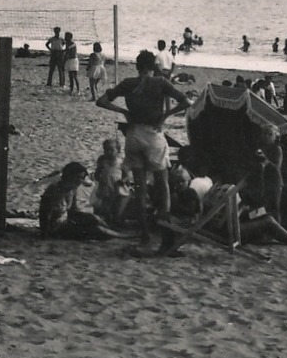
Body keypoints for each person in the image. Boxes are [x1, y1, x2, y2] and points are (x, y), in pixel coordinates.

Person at [96, 50, 192, 252]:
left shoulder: (128, 83)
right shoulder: (160, 83)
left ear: (137, 66)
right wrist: (166, 116)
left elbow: (101, 101)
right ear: (154, 65)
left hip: (133, 134)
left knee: (140, 188)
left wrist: (123, 111)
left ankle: (145, 235)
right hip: (153, 134)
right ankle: (166, 238)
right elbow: (186, 102)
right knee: (163, 185)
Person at [39, 162, 128, 240]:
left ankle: (111, 231)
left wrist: (91, 217)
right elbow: (44, 213)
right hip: (55, 228)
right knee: (97, 229)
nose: (80, 181)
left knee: (95, 218)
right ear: (70, 176)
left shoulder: (72, 189)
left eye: (82, 178)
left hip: (65, 221)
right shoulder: (54, 190)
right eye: (78, 177)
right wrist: (44, 235)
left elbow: (73, 211)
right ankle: (122, 236)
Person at [92, 137, 130, 226]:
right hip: (105, 186)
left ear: (118, 151)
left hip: (117, 186)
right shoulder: (102, 162)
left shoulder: (121, 162)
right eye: (106, 150)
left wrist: (123, 181)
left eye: (111, 150)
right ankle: (105, 220)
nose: (108, 152)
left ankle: (116, 220)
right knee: (105, 204)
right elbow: (97, 174)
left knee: (117, 204)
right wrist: (99, 180)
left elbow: (126, 176)